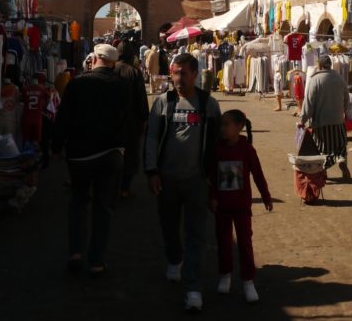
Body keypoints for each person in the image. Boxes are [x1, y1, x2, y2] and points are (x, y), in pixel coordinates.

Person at [145, 53, 222, 312]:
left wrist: (214, 179)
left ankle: (193, 288)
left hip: (196, 181)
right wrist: (151, 171)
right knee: (168, 226)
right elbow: (152, 138)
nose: (178, 78)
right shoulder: (162, 102)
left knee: (196, 234)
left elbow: (215, 145)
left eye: (183, 73)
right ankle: (174, 259)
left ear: (195, 74)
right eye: (175, 73)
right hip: (166, 179)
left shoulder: (208, 104)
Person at [54, 43, 131, 277]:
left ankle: (75, 252)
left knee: (78, 202)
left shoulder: (78, 83)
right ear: (113, 62)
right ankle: (96, 260)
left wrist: (56, 146)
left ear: (95, 58)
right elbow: (130, 119)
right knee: (103, 208)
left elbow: (63, 116)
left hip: (80, 155)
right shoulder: (123, 85)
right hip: (110, 154)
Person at [210, 109, 272, 304]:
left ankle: (248, 281)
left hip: (242, 206)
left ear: (239, 127)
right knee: (223, 242)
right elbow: (212, 177)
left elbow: (258, 174)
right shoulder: (217, 149)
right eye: (221, 125)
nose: (222, 129)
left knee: (245, 243)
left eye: (226, 124)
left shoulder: (247, 149)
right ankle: (225, 275)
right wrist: (211, 197)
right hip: (221, 205)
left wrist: (266, 196)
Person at [299, 55, 352, 181]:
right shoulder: (339, 78)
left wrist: (303, 120)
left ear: (320, 66)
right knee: (340, 146)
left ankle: (323, 171)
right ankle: (341, 160)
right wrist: (342, 112)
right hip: (338, 121)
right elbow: (347, 99)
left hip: (321, 123)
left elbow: (309, 103)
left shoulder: (315, 80)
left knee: (322, 149)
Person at [114, 42, 150, 198]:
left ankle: (112, 186)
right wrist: (144, 120)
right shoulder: (134, 73)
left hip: (112, 121)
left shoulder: (110, 69)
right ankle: (124, 189)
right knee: (130, 155)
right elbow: (141, 99)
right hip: (131, 121)